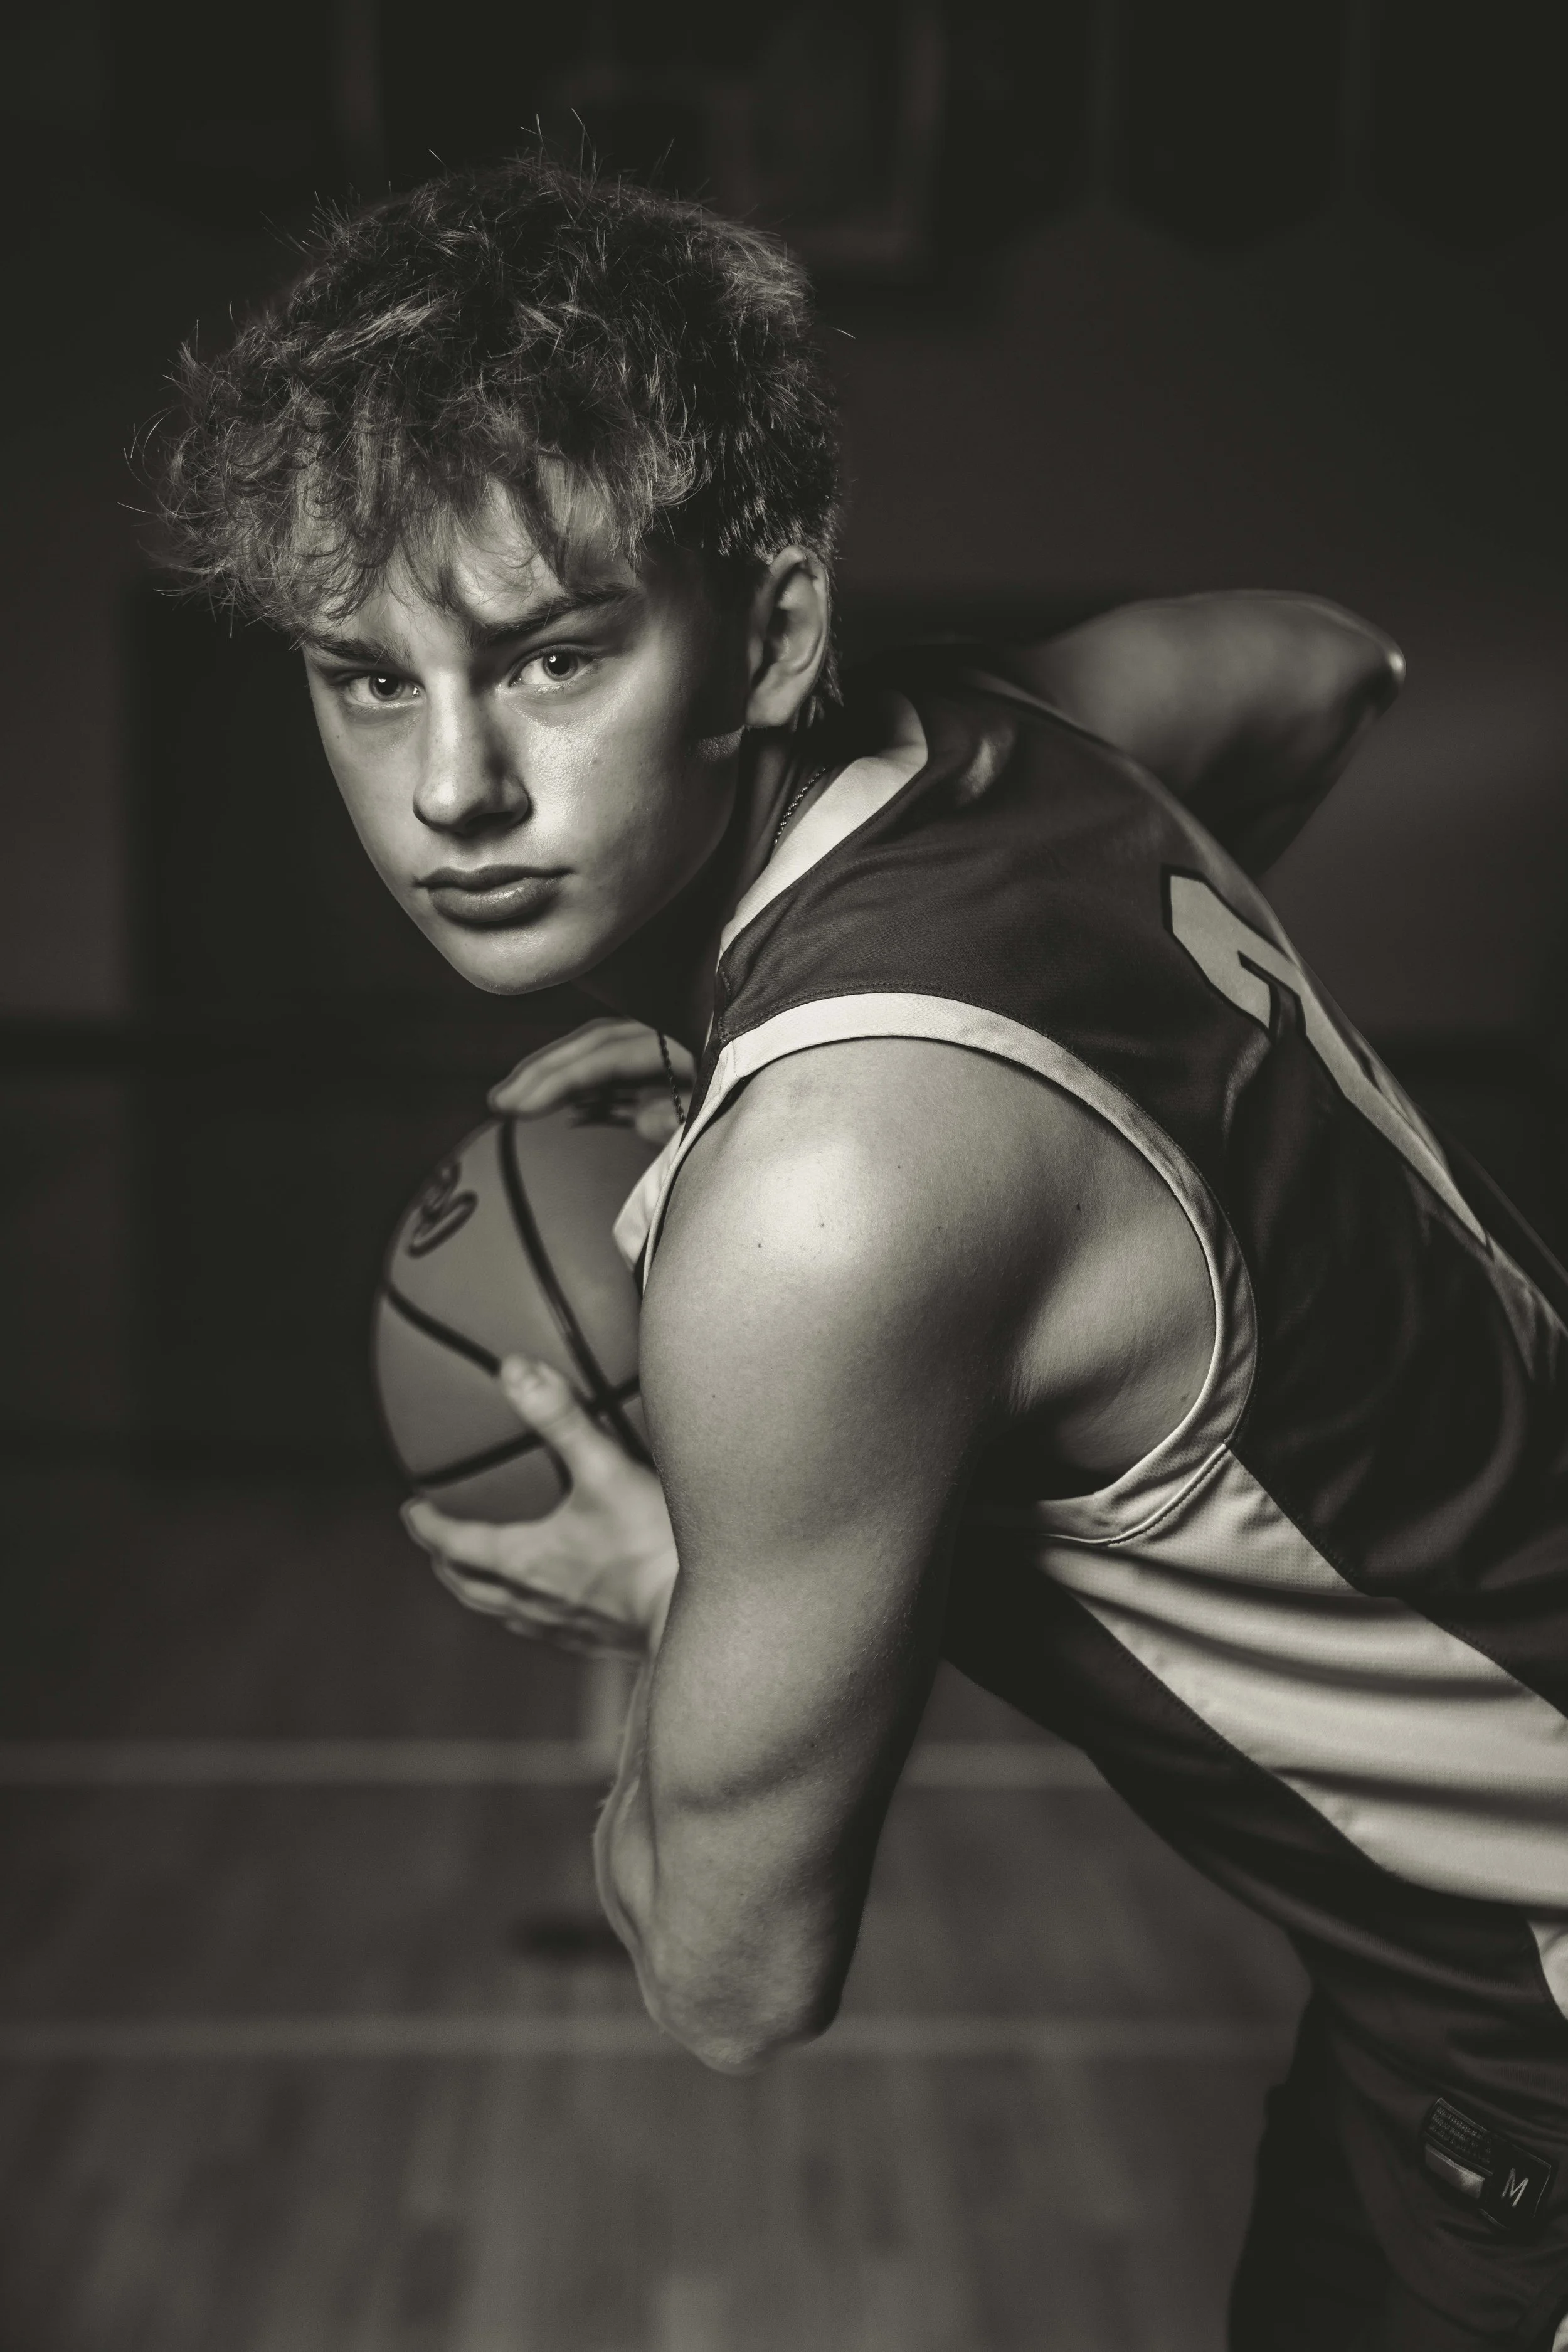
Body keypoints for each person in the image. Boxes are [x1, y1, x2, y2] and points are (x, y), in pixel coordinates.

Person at [155, 156, 1568, 2351]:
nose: (451, 787)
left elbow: (729, 1984)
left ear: (777, 630)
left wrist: (664, 1587)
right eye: (363, 676)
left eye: (551, 659)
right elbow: (1322, 668)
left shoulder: (825, 1200)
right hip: (1445, 2021)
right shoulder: (1045, 750)